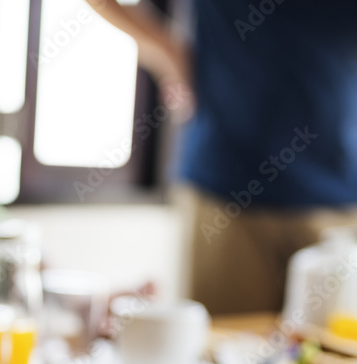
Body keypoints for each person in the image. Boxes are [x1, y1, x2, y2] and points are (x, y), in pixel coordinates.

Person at [88, 0, 357, 316]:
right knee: (221, 356)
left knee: (332, 359)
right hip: (227, 195)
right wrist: (168, 53)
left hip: (341, 200)